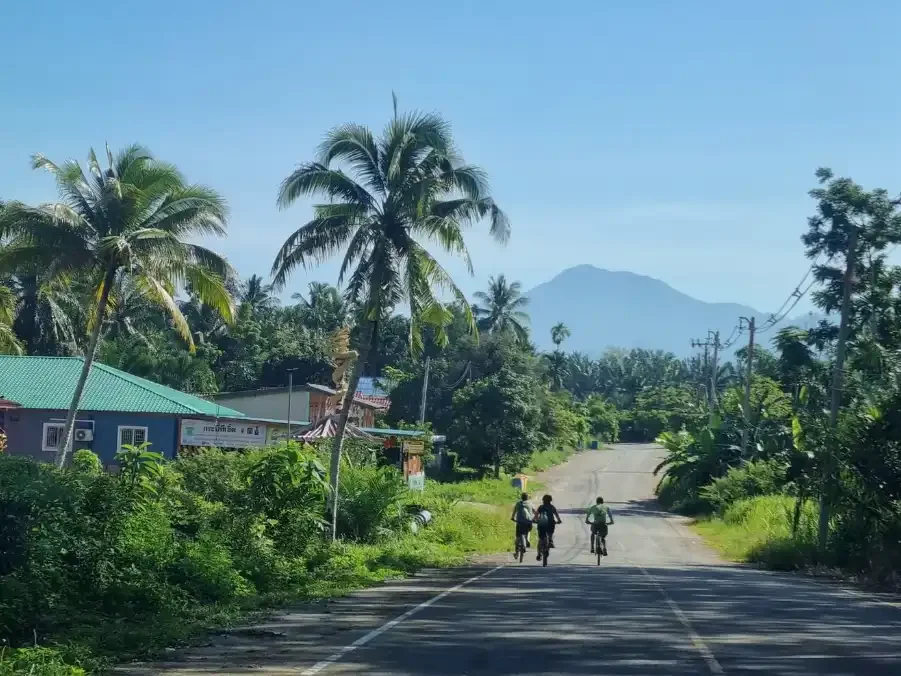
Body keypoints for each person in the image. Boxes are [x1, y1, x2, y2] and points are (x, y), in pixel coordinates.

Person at [534, 494, 562, 560]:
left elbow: (536, 515)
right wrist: (559, 521)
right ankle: (550, 541)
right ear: (550, 500)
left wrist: (535, 520)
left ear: (543, 500)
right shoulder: (552, 507)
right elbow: (556, 515)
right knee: (550, 534)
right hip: (550, 524)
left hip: (541, 524)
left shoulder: (540, 507)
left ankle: (539, 554)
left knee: (540, 539)